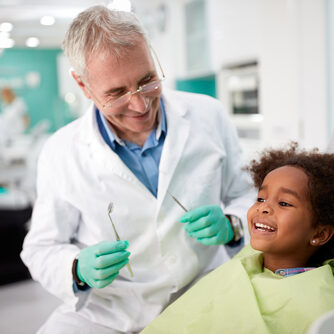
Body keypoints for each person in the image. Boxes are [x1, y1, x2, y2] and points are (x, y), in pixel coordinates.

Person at [20, 5, 255, 334]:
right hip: (110, 311)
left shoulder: (209, 115)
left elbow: (246, 194)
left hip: (204, 289)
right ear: (83, 86)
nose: (140, 105)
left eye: (147, 81)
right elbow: (41, 248)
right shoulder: (61, 152)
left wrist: (233, 224)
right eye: (116, 93)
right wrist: (76, 269)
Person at [141, 143, 334, 334]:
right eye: (260, 198)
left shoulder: (320, 304)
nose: (263, 207)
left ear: (319, 234)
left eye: (284, 203)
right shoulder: (247, 258)